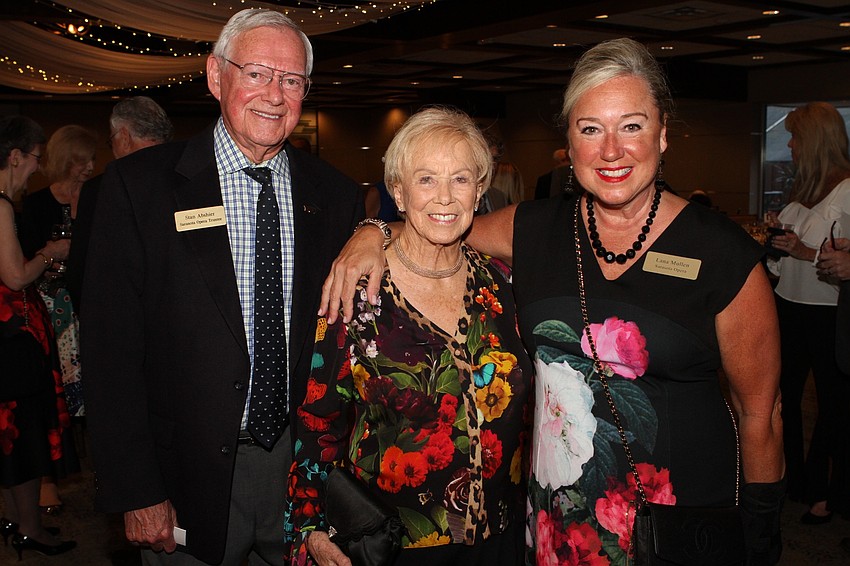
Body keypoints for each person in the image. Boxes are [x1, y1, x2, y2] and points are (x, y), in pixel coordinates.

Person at [319, 38, 785, 565]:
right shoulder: (533, 229)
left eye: (631, 125)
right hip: (558, 525)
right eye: (591, 129)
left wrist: (760, 538)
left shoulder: (723, 254)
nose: (611, 150)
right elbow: (439, 223)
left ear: (662, 134)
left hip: (679, 523)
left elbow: (761, 415)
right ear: (569, 141)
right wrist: (373, 230)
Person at [82, 8, 364, 566]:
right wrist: (138, 490)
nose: (274, 95)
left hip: (298, 470)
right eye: (257, 73)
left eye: (291, 81)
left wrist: (379, 230)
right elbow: (110, 353)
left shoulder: (334, 196)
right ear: (216, 76)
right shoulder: (139, 188)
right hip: (184, 473)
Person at [286, 106, 531, 565]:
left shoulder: (501, 285)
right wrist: (310, 528)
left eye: (460, 179)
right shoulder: (355, 290)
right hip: (393, 544)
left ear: (480, 190)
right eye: (425, 180)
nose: (444, 197)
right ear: (397, 191)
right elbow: (317, 420)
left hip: (501, 538)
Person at [766, 101, 850, 523]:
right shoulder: (801, 191)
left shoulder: (848, 190)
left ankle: (822, 487)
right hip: (789, 307)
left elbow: (844, 260)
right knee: (785, 399)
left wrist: (805, 250)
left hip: (830, 312)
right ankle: (794, 479)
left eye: (797, 136)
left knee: (833, 406)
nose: (791, 144)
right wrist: (777, 249)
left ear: (816, 141)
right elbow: (785, 266)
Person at [0, 115, 76, 559]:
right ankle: (29, 527)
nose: (36, 167)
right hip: (12, 338)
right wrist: (51, 253)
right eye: (32, 158)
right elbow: (14, 277)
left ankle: (16, 519)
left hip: (8, 336)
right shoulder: (2, 206)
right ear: (14, 157)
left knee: (9, 433)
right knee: (21, 434)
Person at [18, 124, 93, 510]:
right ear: (67, 159)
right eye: (84, 160)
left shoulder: (97, 196)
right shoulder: (35, 203)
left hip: (87, 305)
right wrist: (52, 254)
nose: (90, 166)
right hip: (49, 306)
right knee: (53, 390)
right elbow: (25, 258)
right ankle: (50, 477)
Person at [66, 96, 174, 312]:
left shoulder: (102, 187)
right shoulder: (187, 178)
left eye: (111, 139)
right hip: (174, 313)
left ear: (124, 136)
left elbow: (82, 265)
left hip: (118, 312)